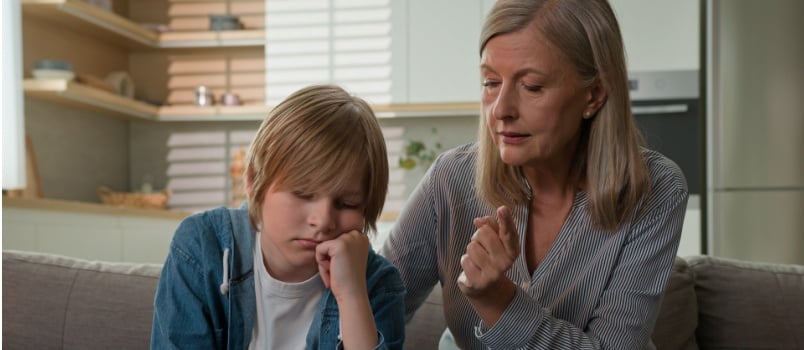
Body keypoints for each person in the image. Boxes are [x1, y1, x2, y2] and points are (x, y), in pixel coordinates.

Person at [381, 0, 688, 349]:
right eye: (490, 82)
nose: (500, 110)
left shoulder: (655, 191)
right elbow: (374, 307)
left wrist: (499, 301)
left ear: (594, 95)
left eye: (532, 87)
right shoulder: (449, 179)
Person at [151, 84, 406, 349]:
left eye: (347, 203)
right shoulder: (203, 248)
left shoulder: (378, 285)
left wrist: (353, 296)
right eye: (303, 194)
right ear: (252, 180)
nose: (323, 221)